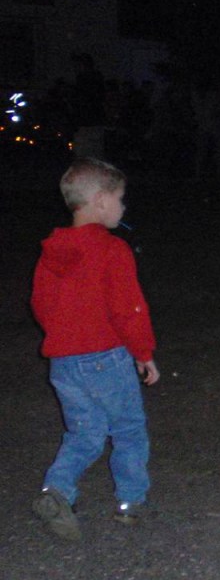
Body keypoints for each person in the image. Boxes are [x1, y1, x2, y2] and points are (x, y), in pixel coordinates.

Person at [30, 158, 160, 541]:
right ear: (101, 201)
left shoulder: (52, 251)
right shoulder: (111, 249)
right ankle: (131, 502)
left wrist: (64, 334)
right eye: (120, 198)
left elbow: (40, 304)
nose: (123, 206)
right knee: (128, 429)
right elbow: (128, 308)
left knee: (84, 433)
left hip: (63, 362)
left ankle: (56, 490)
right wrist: (143, 352)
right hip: (106, 357)